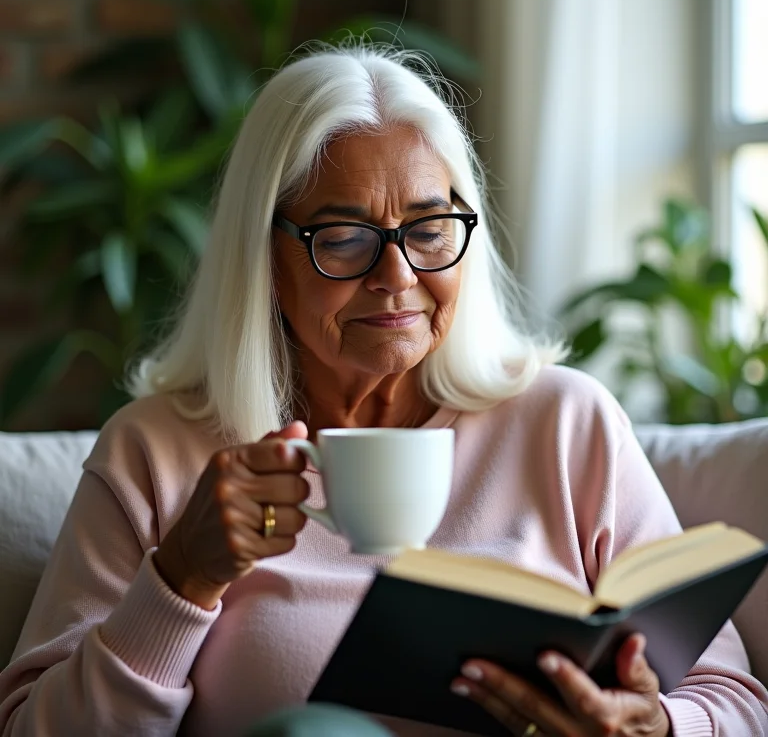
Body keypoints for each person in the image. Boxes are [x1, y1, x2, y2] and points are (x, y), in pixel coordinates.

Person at [0, 44, 766, 737]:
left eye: (430, 230)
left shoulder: (565, 425)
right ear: (262, 259)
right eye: (342, 238)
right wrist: (182, 579)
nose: (397, 278)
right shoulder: (159, 453)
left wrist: (652, 728)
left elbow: (735, 701)